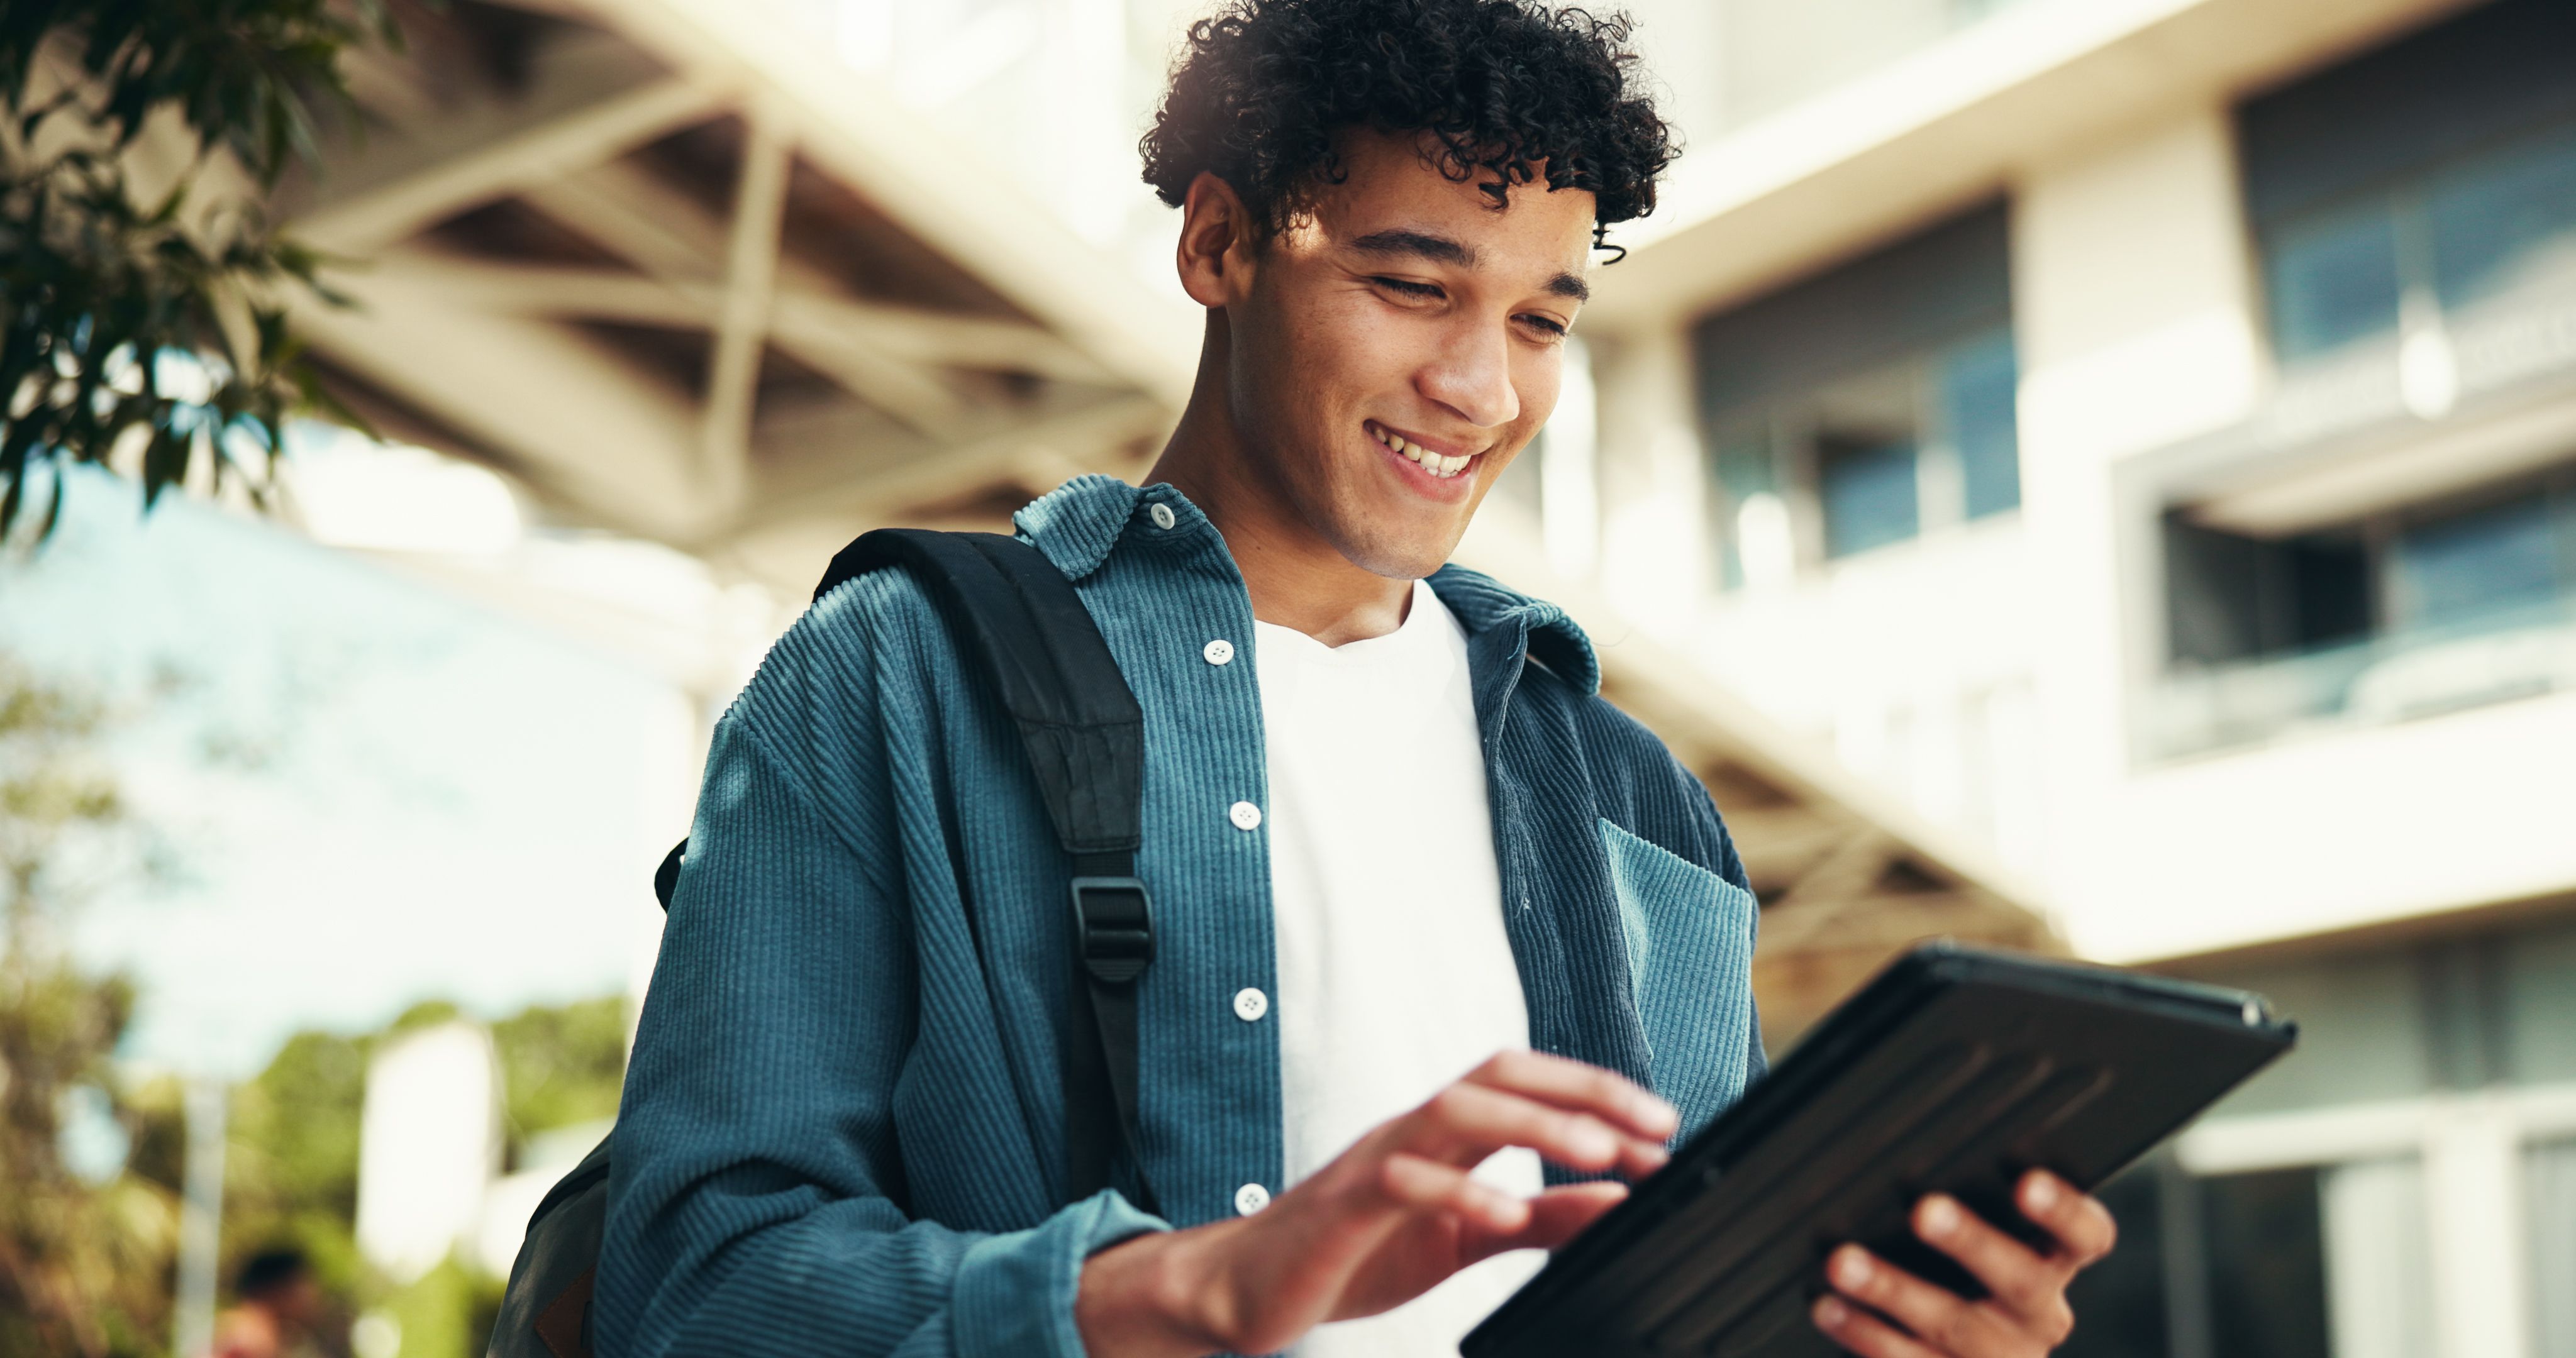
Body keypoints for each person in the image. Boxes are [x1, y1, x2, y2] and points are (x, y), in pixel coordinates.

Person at [597, 2, 2118, 1355]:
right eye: (1410, 284)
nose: (1480, 387)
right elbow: (689, 1287)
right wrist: (1183, 1292)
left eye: (1539, 320)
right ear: (1219, 245)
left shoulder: (1634, 797)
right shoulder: (896, 674)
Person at [208, 1249, 325, 1358]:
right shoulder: (250, 1339)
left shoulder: (258, 1335)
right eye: (302, 1286)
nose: (312, 1296)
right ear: (277, 1289)